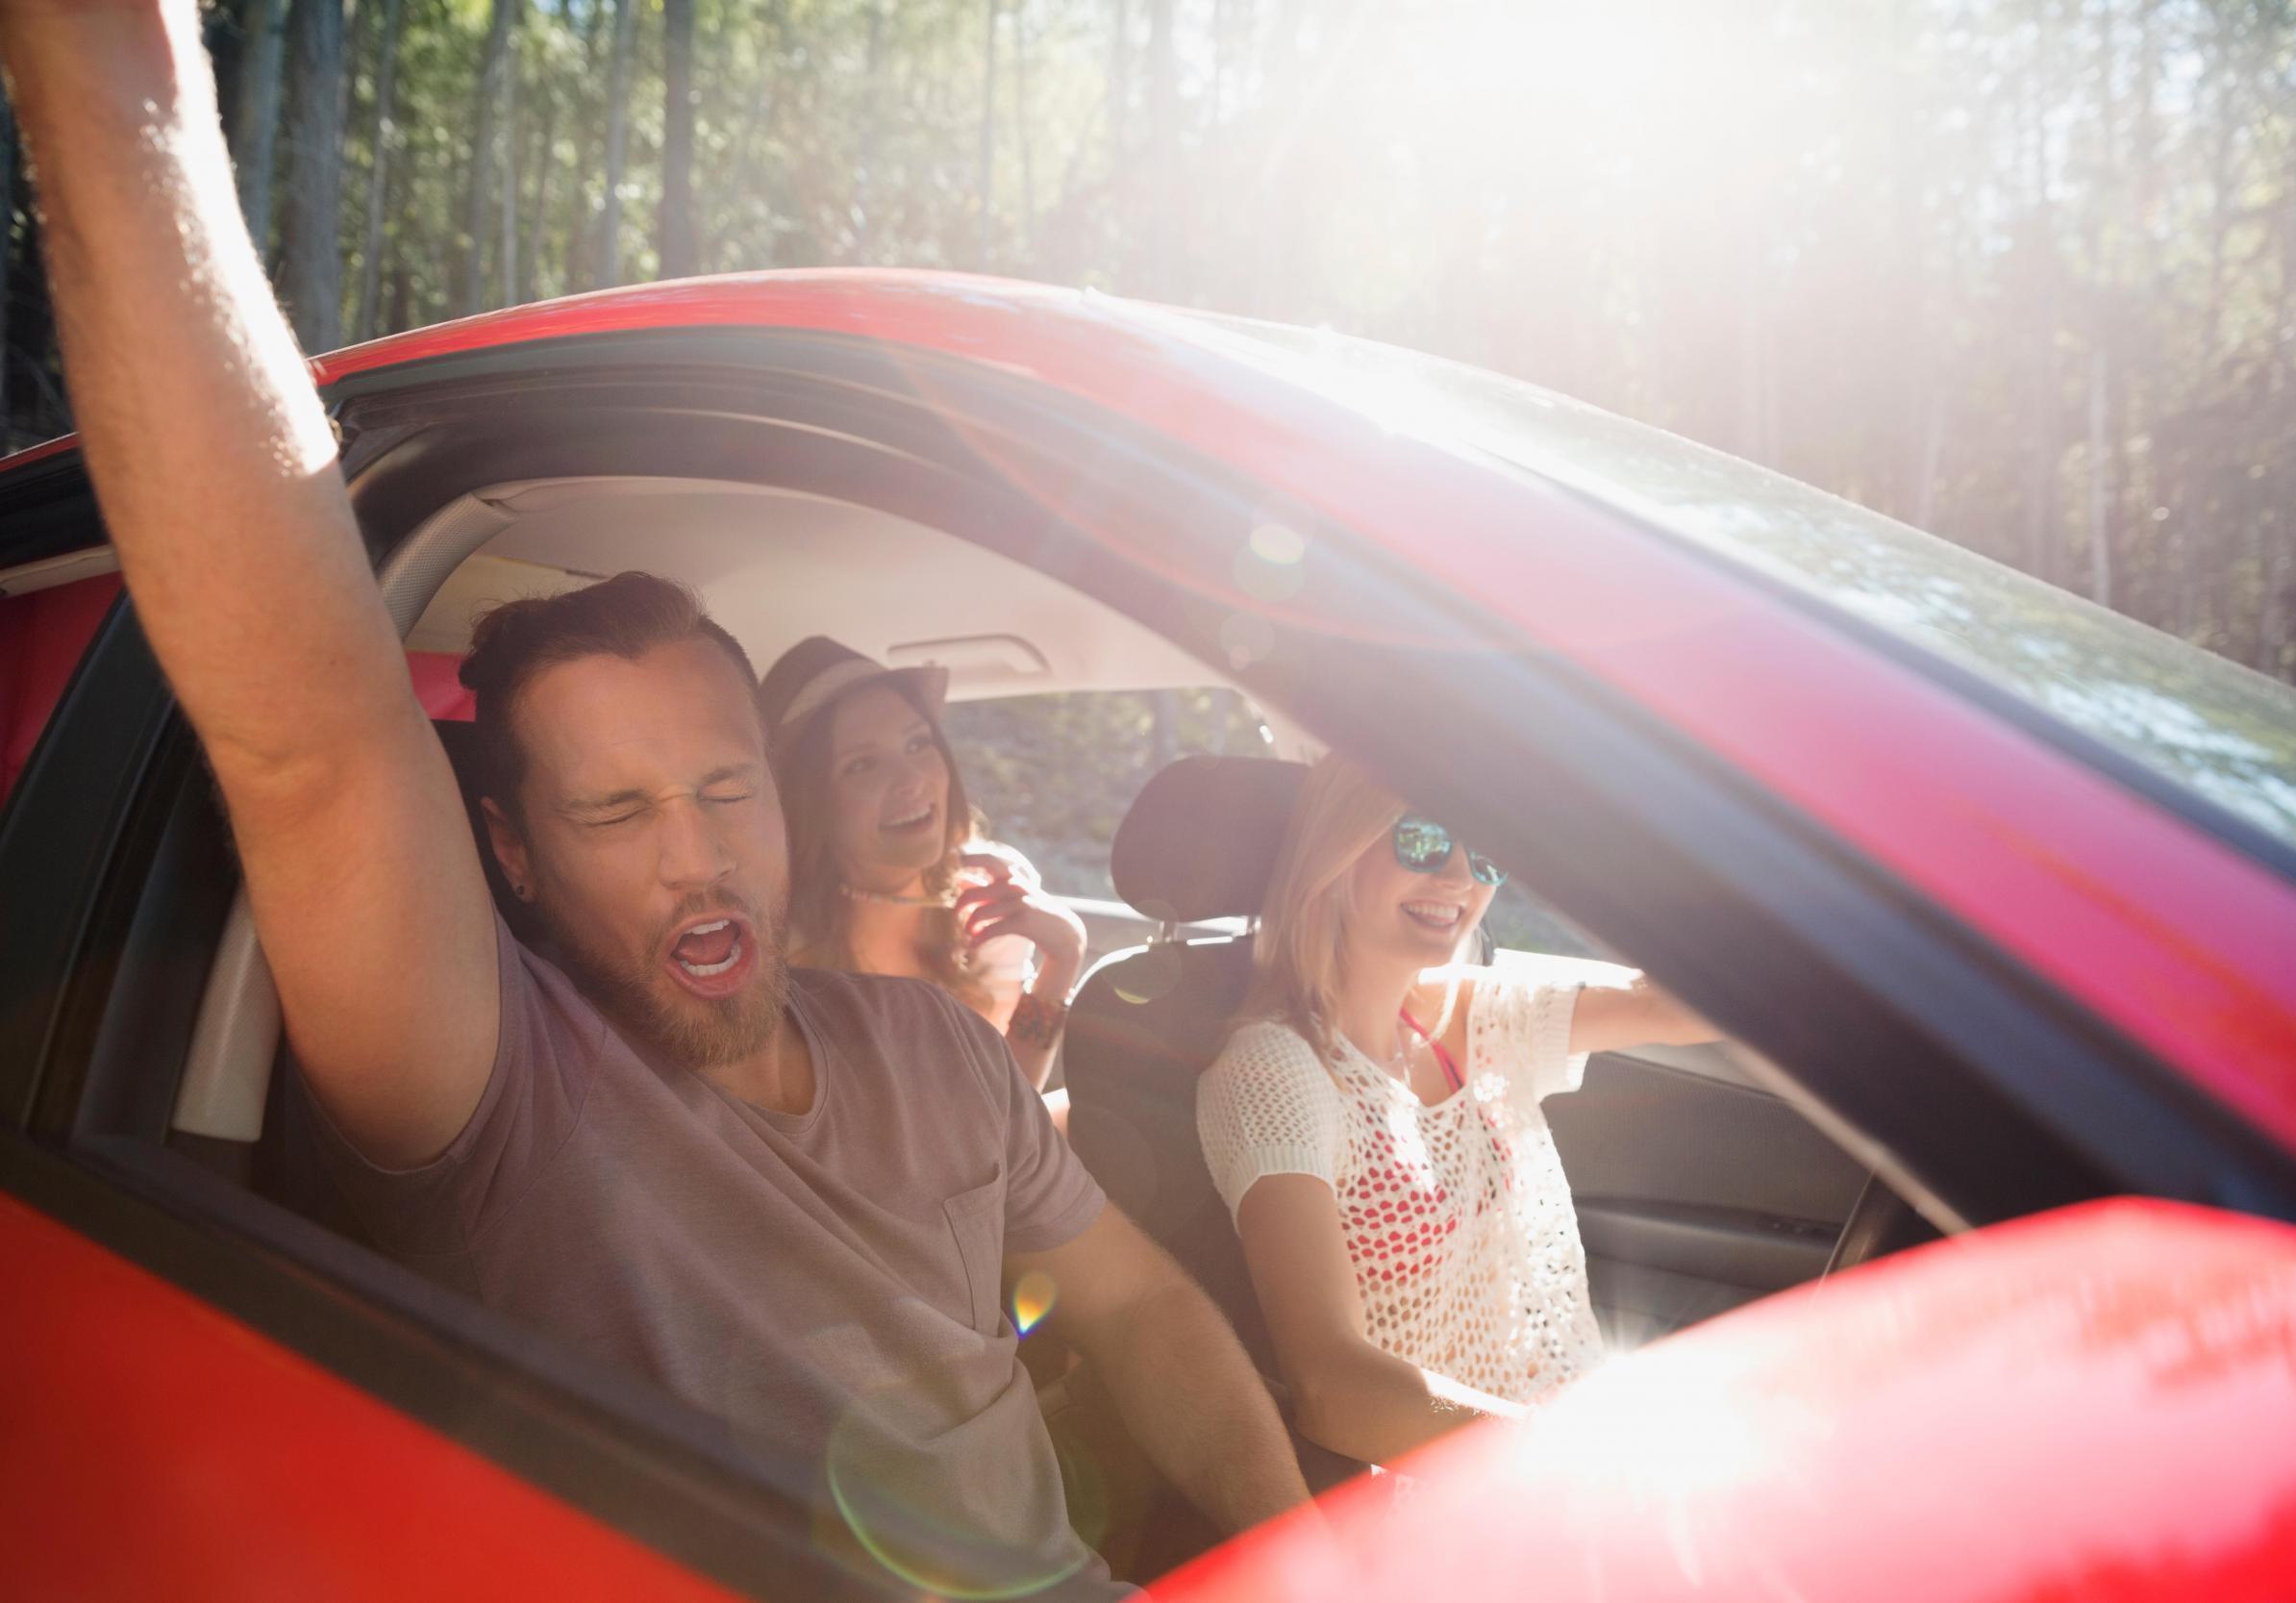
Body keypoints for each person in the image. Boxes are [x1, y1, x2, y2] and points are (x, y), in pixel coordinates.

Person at [4, 6, 1314, 1592]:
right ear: (517, 851)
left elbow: (1139, 1308)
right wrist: (119, 85)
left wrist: (1298, 1559)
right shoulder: (494, 1095)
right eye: (617, 814)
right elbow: (315, 749)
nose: (699, 859)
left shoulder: (937, 1054)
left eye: (725, 786)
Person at [1196, 754, 1716, 1468]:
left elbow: (1680, 1006)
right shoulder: (1274, 1070)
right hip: (1451, 1482)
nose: (1461, 877)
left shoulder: (1468, 1013)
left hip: (1563, 1426)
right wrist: (1571, 1460)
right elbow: (1331, 1382)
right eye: (1424, 839)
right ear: (1336, 851)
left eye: (1488, 853)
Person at [761, 638, 1083, 1121]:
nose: (912, 779)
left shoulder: (987, 892)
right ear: (809, 803)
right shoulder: (778, 951)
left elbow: (1011, 1117)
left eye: (918, 743)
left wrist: (1063, 956)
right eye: (862, 764)